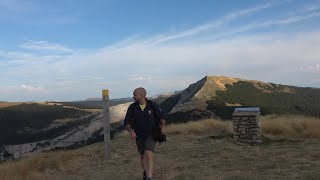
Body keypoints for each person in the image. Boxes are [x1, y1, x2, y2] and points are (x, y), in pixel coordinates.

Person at [124, 87, 166, 180]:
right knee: (143, 156)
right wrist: (131, 131)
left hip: (152, 134)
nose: (133, 97)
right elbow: (127, 121)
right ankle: (146, 172)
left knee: (149, 153)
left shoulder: (152, 105)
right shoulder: (132, 107)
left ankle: (149, 177)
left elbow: (161, 117)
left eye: (135, 95)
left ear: (141, 95)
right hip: (139, 135)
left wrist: (162, 126)